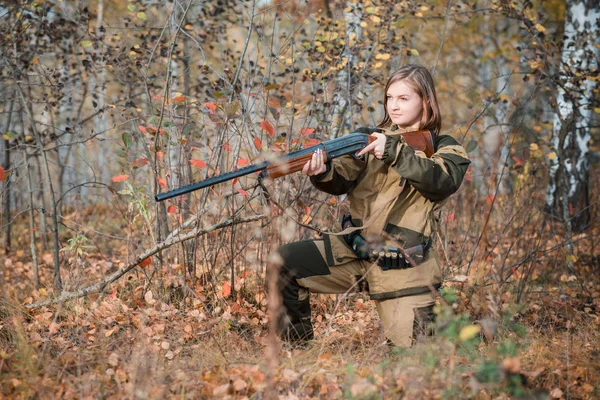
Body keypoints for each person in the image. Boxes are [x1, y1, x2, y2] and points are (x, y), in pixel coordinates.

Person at [275, 64, 471, 347]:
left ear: (425, 101)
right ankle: (296, 351)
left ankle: (472, 333)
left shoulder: (444, 147)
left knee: (414, 364)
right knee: (284, 261)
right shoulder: (368, 138)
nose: (394, 106)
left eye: (404, 98)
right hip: (354, 253)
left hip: (403, 268)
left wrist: (392, 150)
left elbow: (441, 181)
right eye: (389, 98)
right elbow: (340, 179)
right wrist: (322, 172)